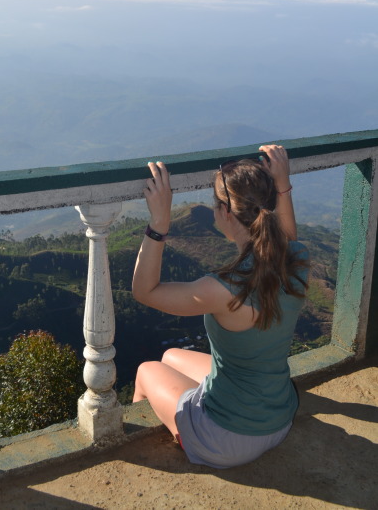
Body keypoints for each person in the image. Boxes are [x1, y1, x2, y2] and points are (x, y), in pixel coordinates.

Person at [132, 144, 309, 468]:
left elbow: (145, 292)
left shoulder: (222, 289)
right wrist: (283, 185)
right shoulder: (296, 259)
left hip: (227, 438)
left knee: (146, 371)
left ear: (226, 212)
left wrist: (159, 223)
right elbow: (287, 235)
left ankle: (166, 445)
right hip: (279, 418)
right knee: (170, 357)